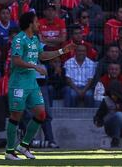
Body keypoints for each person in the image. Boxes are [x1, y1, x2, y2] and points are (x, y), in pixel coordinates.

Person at [4, 12, 75, 160]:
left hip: (32, 84)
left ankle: (23, 146)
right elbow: (16, 60)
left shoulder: (35, 39)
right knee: (16, 115)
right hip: (19, 83)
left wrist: (63, 50)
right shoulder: (19, 39)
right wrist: (35, 67)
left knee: (41, 114)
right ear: (30, 24)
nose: (39, 25)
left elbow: (42, 56)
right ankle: (9, 151)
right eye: (36, 22)